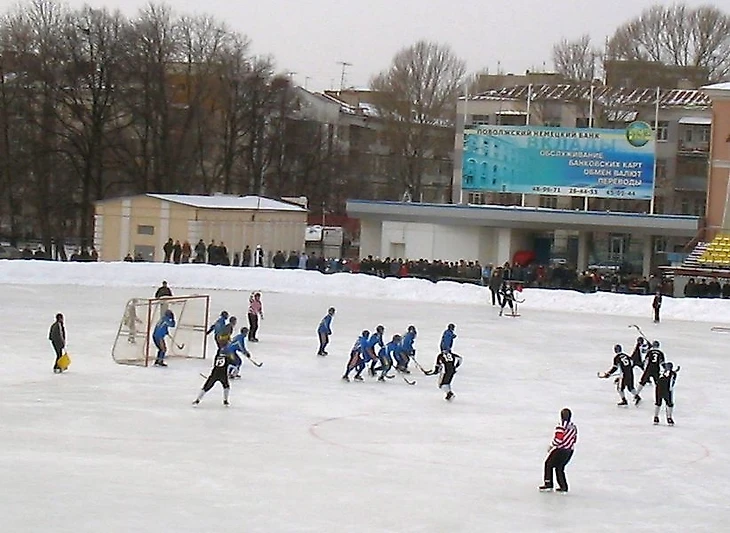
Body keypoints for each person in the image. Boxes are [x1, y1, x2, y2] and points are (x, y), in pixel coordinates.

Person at [539, 408, 578, 492]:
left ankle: (548, 483)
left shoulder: (560, 426)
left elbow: (558, 439)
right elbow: (575, 439)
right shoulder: (573, 427)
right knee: (560, 467)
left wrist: (551, 446)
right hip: (569, 450)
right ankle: (563, 486)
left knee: (548, 464)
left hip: (560, 449)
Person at [654, 361, 678, 426]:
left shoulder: (660, 372)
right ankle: (669, 418)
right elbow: (671, 382)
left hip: (658, 388)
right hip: (667, 389)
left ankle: (656, 417)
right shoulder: (673, 374)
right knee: (669, 404)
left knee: (658, 403)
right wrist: (670, 389)